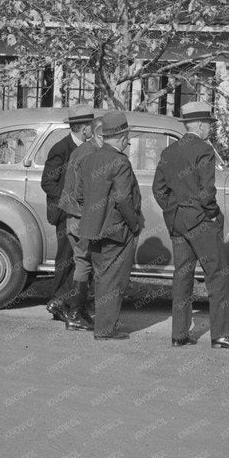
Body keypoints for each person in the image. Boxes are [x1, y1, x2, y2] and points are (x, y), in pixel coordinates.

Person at [152, 103, 229, 350]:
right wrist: (212, 214)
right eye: (208, 124)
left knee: (182, 276)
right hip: (201, 221)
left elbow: (158, 189)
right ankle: (221, 335)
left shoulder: (169, 151)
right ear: (198, 124)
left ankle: (179, 334)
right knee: (216, 276)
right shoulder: (204, 150)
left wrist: (173, 208)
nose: (209, 129)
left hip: (177, 221)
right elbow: (207, 192)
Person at [77, 110, 144, 340]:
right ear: (123, 136)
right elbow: (124, 199)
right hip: (116, 231)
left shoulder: (89, 159)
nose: (128, 139)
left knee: (101, 277)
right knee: (113, 280)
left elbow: (79, 196)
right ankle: (105, 329)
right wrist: (134, 224)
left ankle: (103, 326)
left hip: (92, 230)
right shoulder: (120, 162)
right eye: (127, 135)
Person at [41, 106, 93, 323]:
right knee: (65, 259)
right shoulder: (61, 148)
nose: (92, 129)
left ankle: (72, 302)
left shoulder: (87, 147)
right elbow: (47, 182)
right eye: (90, 125)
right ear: (82, 128)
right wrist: (67, 201)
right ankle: (57, 303)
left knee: (78, 260)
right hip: (64, 214)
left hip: (80, 214)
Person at [55, 113, 102, 332]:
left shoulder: (81, 150)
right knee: (84, 265)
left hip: (74, 216)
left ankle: (76, 310)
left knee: (84, 265)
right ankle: (73, 313)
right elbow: (84, 191)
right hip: (81, 217)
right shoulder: (91, 154)